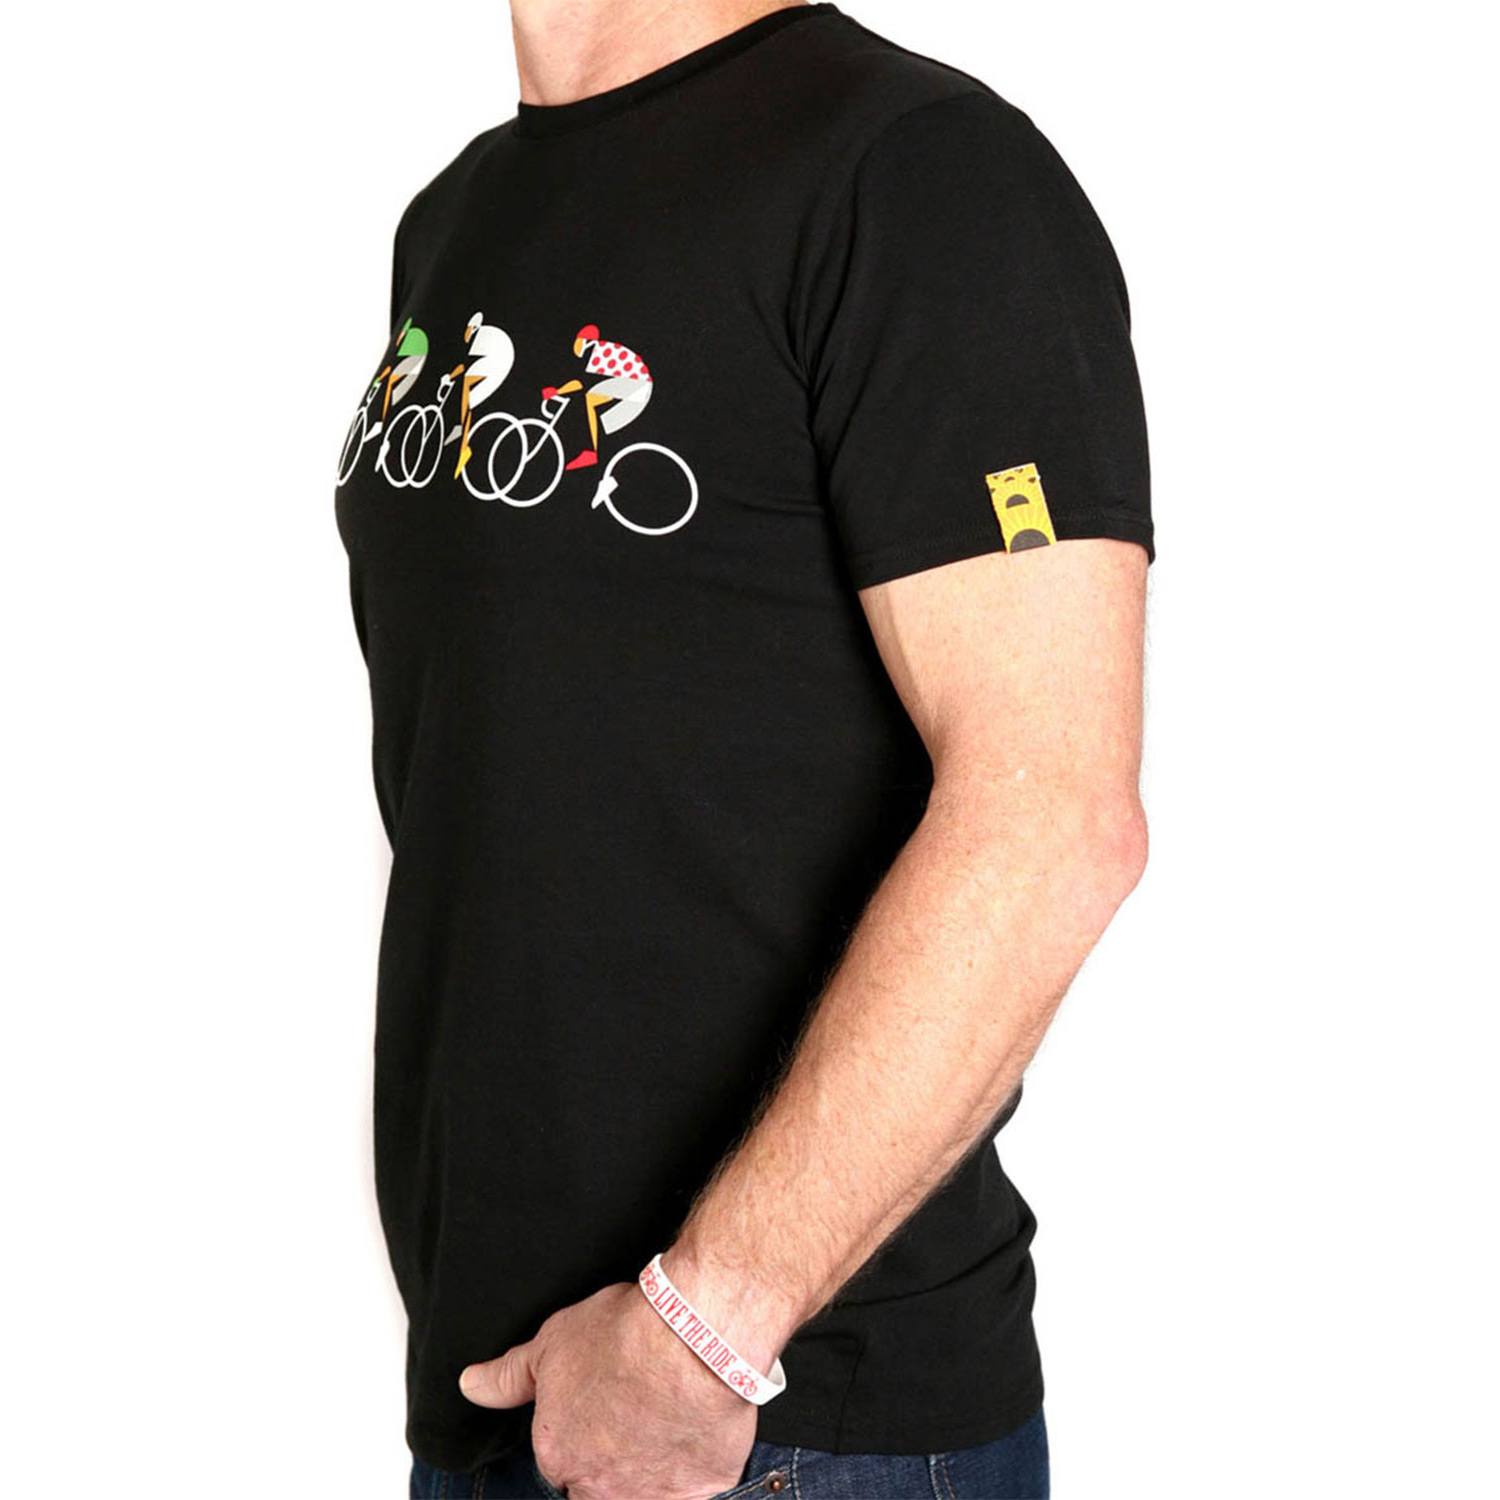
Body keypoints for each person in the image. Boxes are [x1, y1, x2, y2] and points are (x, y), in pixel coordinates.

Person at [333, 3, 1154, 1497]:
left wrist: (698, 1334)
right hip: (516, 1406)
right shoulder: (456, 219)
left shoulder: (916, 172)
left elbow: (1051, 819)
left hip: (781, 1427)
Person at [542, 323, 655, 470]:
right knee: (593, 403)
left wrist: (557, 391)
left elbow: (581, 383)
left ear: (584, 341)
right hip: (635, 384)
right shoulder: (599, 351)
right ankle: (591, 451)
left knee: (589, 400)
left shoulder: (594, 351)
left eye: (578, 341)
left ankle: (590, 452)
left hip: (636, 384)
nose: (575, 346)